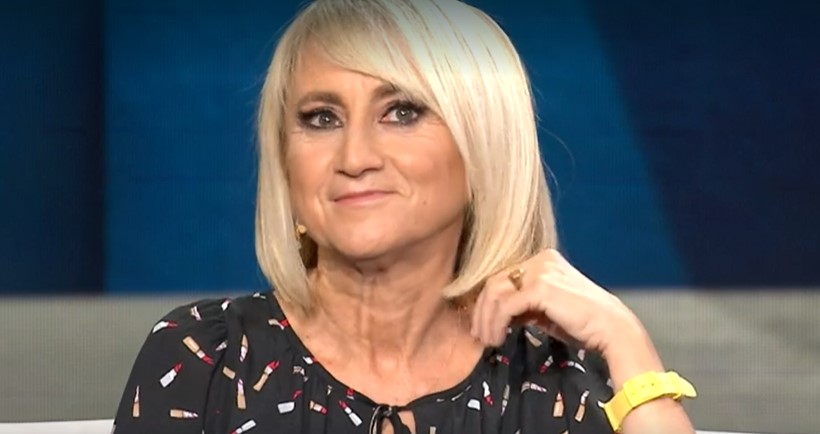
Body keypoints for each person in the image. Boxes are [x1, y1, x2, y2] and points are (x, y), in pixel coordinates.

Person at [113, 0, 698, 433]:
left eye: (401, 112)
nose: (355, 157)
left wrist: (624, 339)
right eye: (321, 118)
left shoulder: (556, 383)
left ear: (483, 145)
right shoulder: (203, 360)